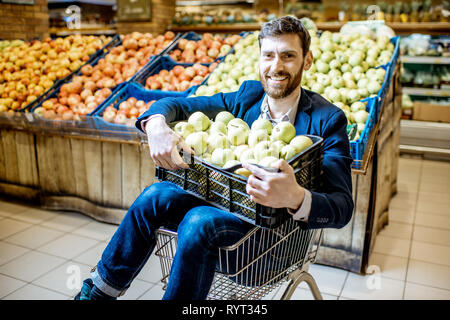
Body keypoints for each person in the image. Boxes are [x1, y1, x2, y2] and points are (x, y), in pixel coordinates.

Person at [75, 16, 354, 300]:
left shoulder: (327, 120)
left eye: (288, 56)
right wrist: (156, 124)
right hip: (225, 216)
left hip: (272, 245)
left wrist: (295, 197)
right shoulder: (245, 98)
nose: (276, 66)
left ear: (307, 61)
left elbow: (342, 207)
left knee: (199, 219)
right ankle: (97, 293)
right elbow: (177, 105)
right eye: (268, 55)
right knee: (155, 195)